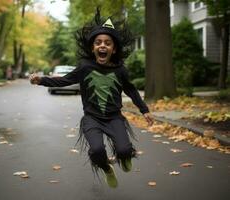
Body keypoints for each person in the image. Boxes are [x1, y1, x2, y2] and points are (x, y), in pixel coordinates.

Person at [29, 8, 153, 188]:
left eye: (107, 43)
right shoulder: (85, 67)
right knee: (96, 150)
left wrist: (144, 110)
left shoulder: (120, 70)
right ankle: (107, 169)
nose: (103, 45)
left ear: (114, 48)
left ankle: (124, 156)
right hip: (91, 118)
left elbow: (131, 90)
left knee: (124, 149)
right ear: (93, 48)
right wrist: (41, 80)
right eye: (98, 42)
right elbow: (64, 80)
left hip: (114, 118)